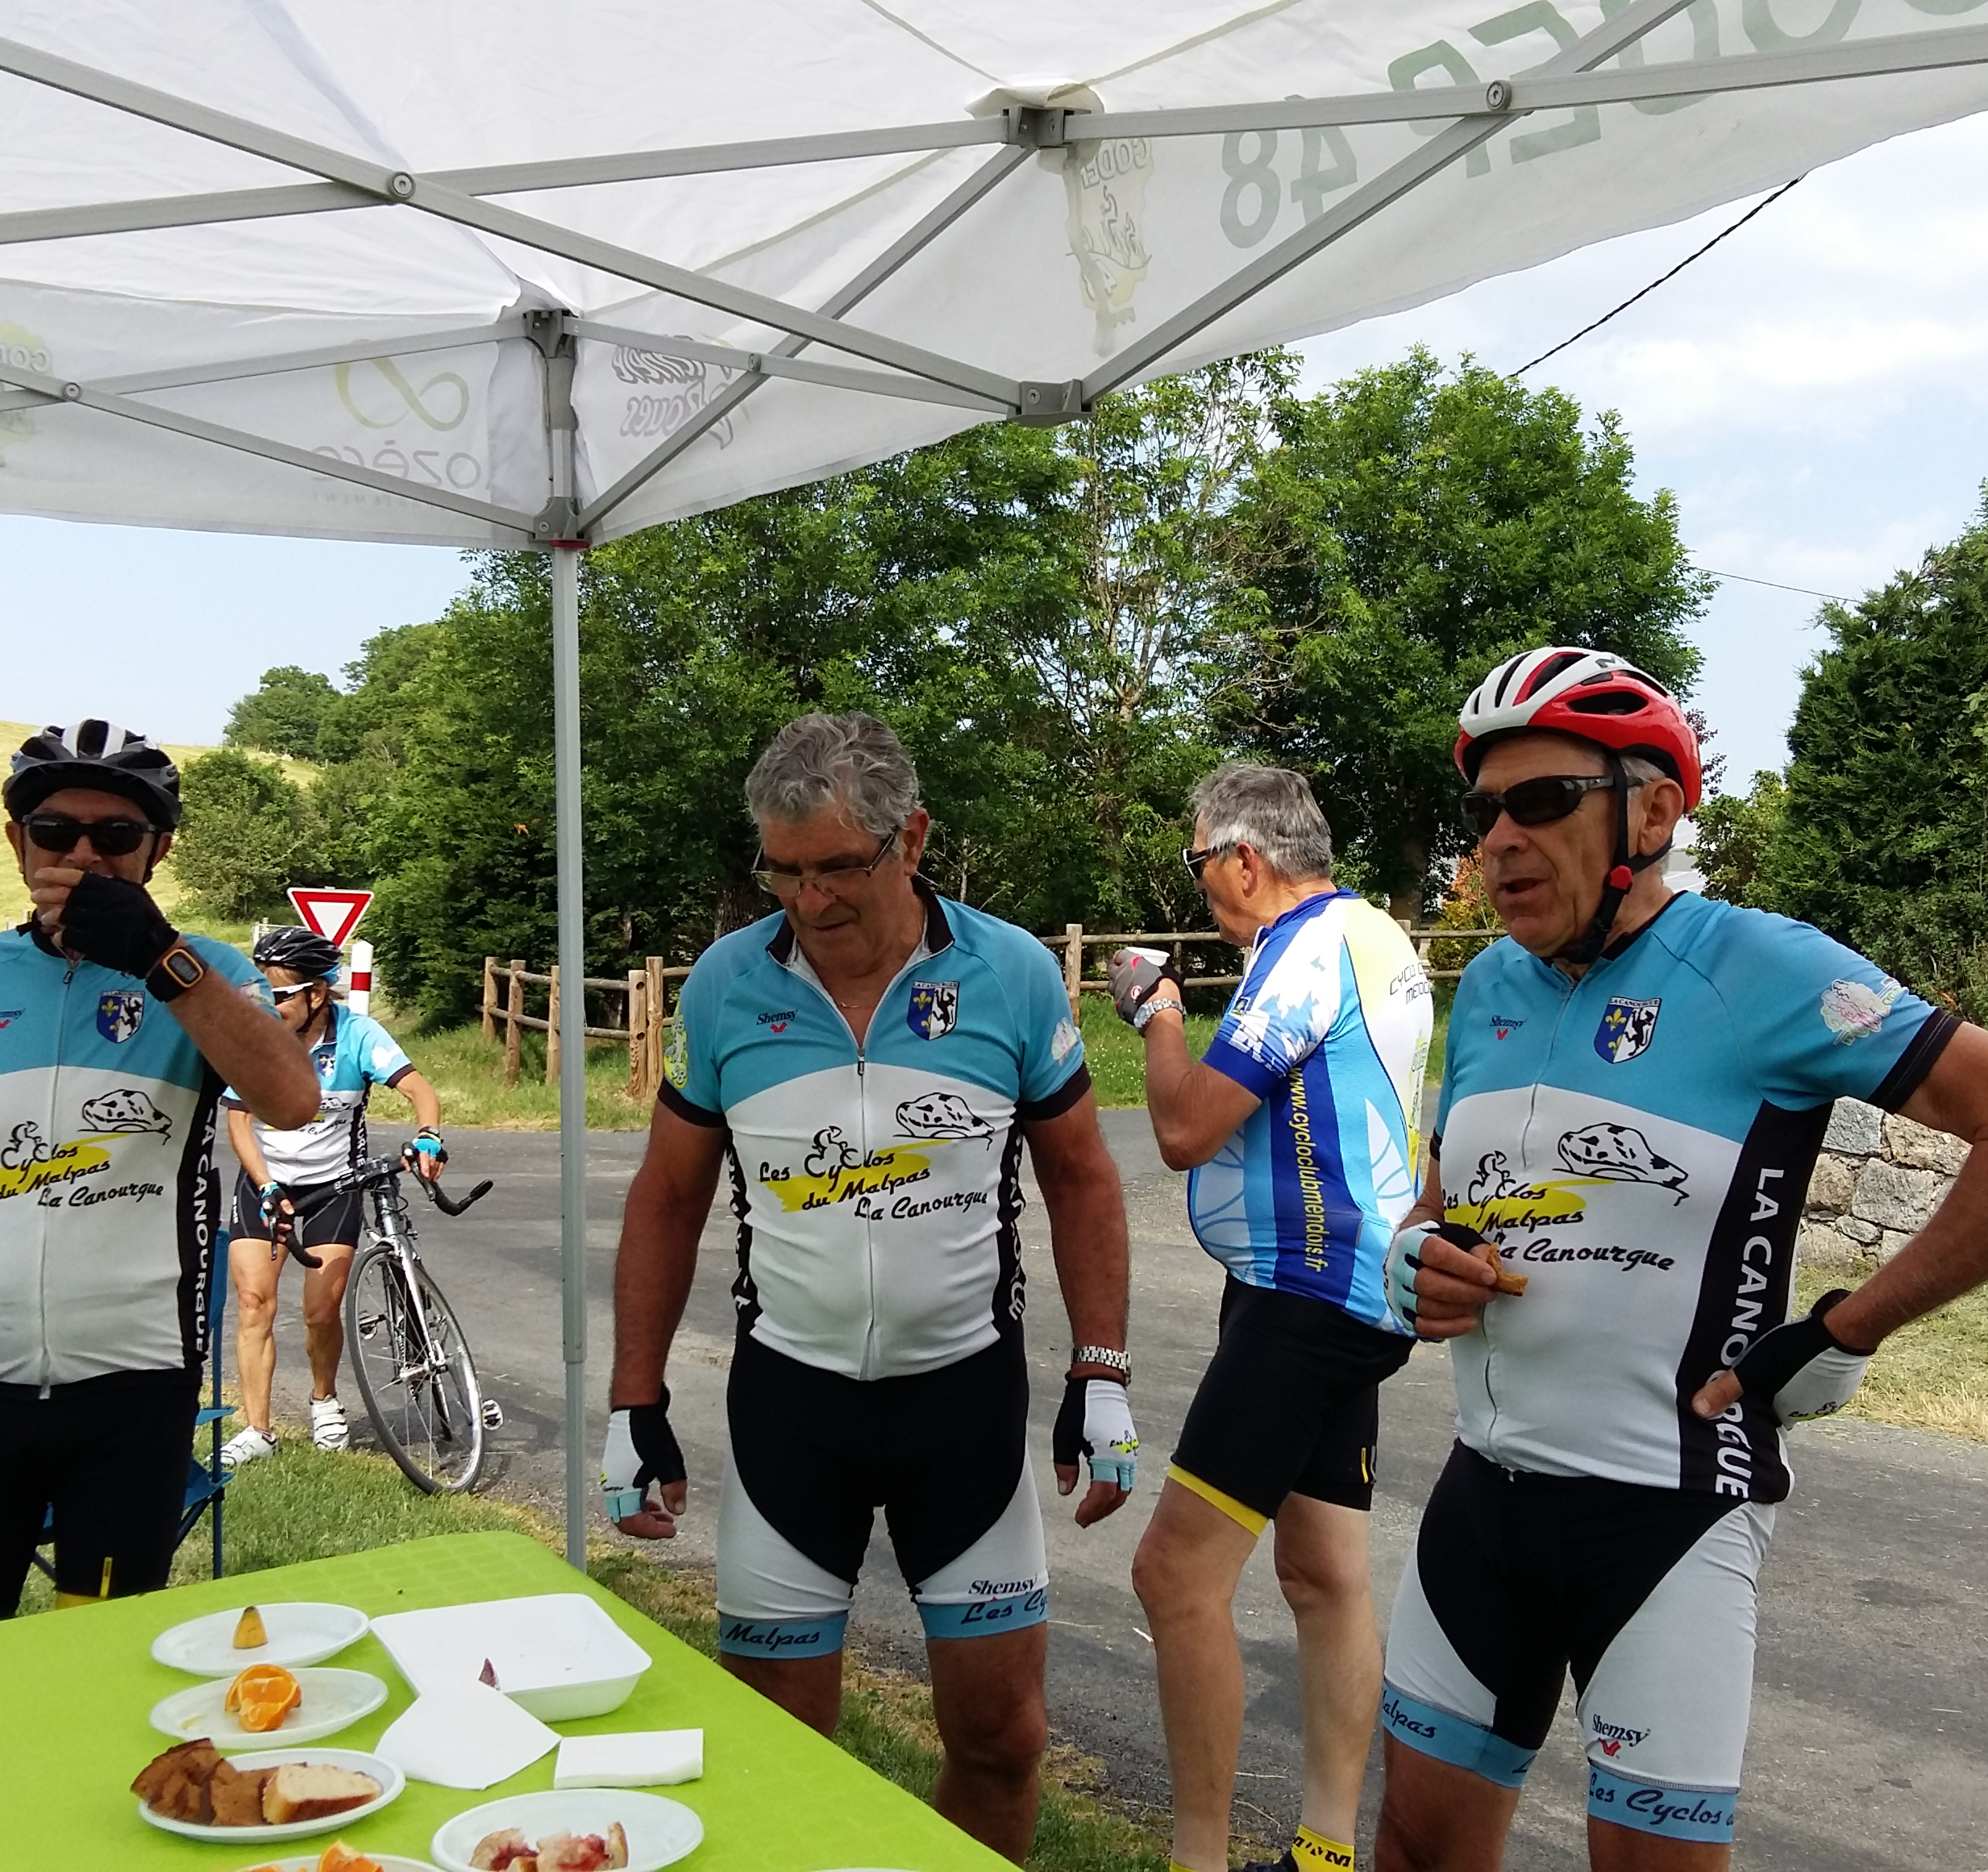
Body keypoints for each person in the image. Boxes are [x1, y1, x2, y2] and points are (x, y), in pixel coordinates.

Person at [1373, 649, 1988, 1871]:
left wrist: (1845, 1327)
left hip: (1665, 1517)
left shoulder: (1759, 969)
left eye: (1543, 800)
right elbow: (1446, 1203)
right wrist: (1416, 1260)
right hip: (1482, 1501)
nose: (1501, 840)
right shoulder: (1497, 981)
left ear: (1653, 812)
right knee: (1413, 1849)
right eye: (1485, 809)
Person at [601, 712, 1140, 1862]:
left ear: (914, 838)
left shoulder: (1009, 972)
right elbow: (666, 1197)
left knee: (1001, 1738)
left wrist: (1101, 1372)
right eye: (783, 871)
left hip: (964, 1405)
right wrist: (633, 1399)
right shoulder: (727, 985)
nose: (810, 900)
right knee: (777, 1751)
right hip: (794, 1409)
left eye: (839, 867)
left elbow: (1084, 1177)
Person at [0, 720, 320, 1635]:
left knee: (102, 1652)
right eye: (56, 831)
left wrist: (161, 960)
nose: (85, 855)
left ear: (159, 849)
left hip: (134, 1383)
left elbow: (293, 1099)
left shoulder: (209, 973)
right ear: (17, 841)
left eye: (117, 835)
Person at [1109, 763, 1434, 1872]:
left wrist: (1159, 1014)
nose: (1200, 885)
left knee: (1174, 1575)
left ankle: (1197, 1860)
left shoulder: (1303, 949)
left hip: (1307, 1294)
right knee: (1324, 1572)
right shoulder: (1376, 931)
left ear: (1245, 859)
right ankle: (1327, 1854)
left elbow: (1185, 1128)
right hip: (1349, 1285)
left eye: (1199, 862)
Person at [218, 926, 447, 1466]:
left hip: (333, 1185)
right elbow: (239, 1121)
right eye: (258, 991)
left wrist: (428, 1134)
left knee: (321, 1311)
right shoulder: (254, 1035)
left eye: (277, 994)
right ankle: (257, 1429)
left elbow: (419, 1089)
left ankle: (324, 1401)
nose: (264, 1003)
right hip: (265, 1182)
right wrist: (266, 1184)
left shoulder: (357, 1034)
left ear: (316, 994)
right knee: (253, 1303)